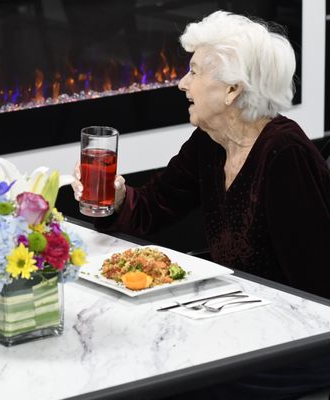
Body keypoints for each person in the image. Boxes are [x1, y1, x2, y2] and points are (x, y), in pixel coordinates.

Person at [72, 10, 330, 400]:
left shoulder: (284, 154)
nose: (181, 83)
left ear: (231, 91)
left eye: (194, 72)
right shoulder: (209, 143)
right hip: (233, 329)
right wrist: (118, 197)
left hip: (291, 347)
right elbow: (153, 208)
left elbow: (316, 291)